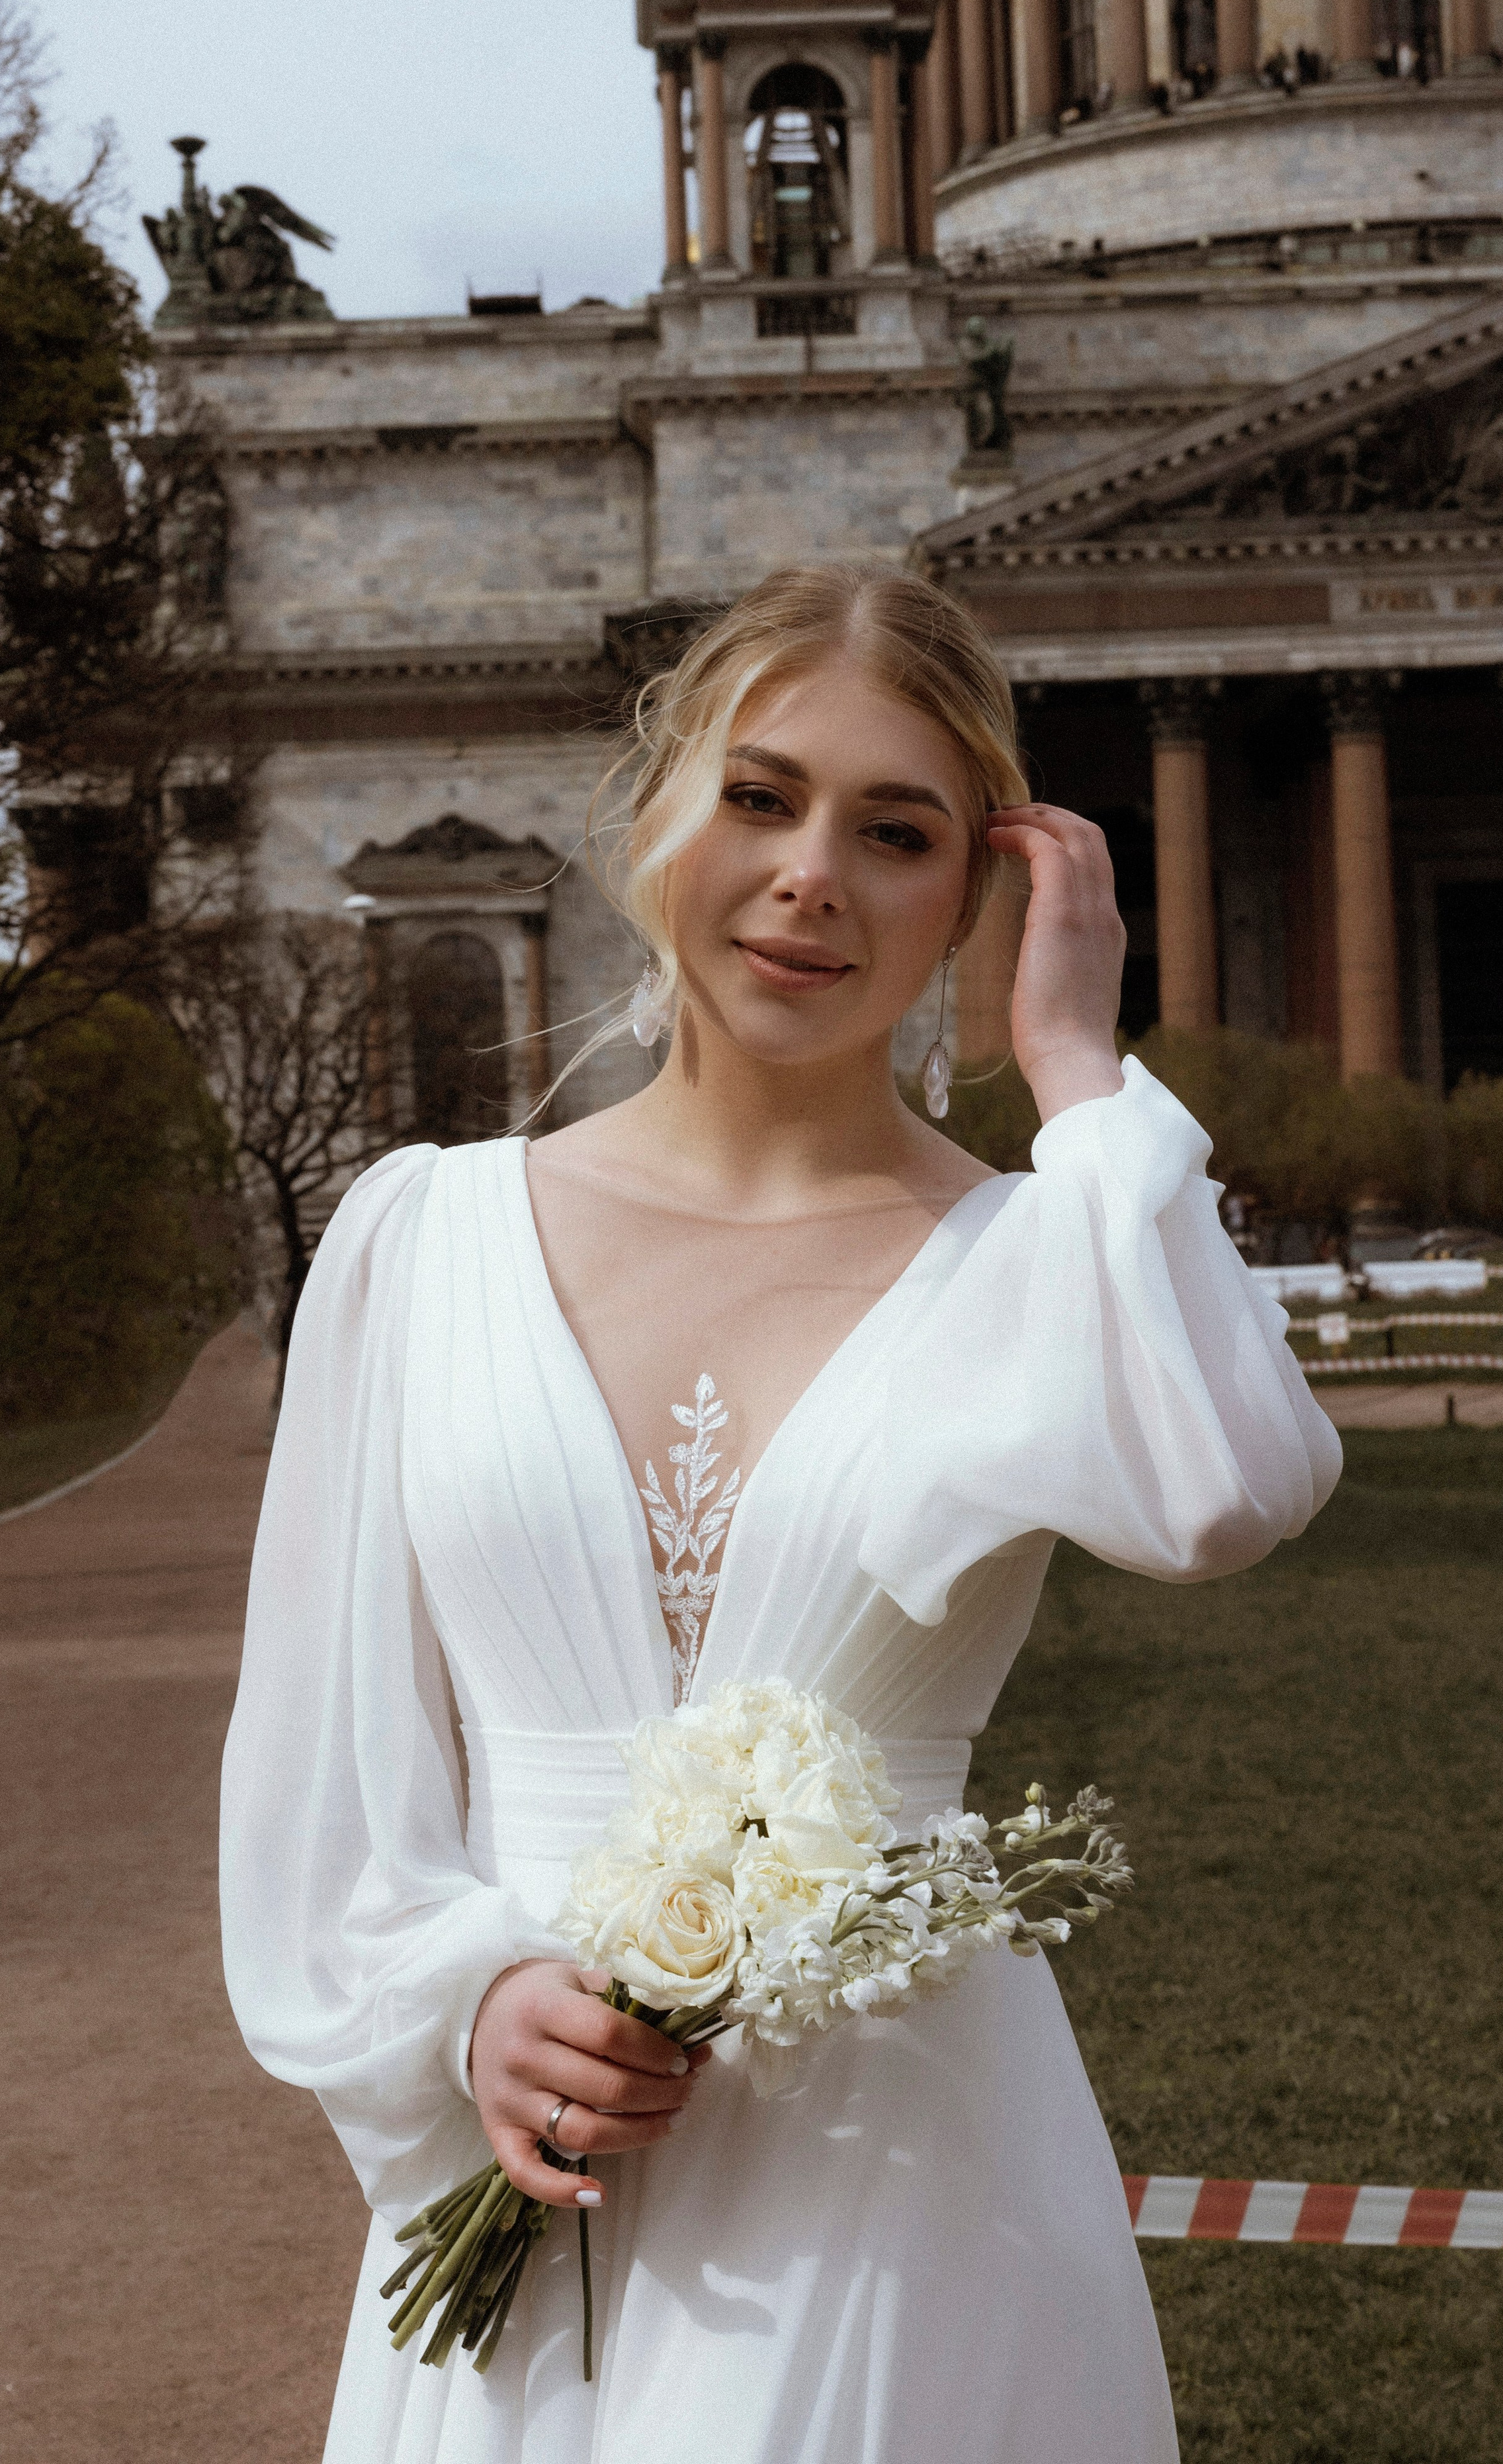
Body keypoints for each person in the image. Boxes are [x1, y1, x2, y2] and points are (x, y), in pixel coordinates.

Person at [221, 566, 1341, 2463]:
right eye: (761, 797)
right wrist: (465, 2004)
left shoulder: (1032, 1256)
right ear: (659, 817)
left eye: (896, 833)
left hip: (906, 2190)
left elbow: (1230, 1486)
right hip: (529, 2172)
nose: (812, 875)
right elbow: (326, 1772)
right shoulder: (420, 1242)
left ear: (974, 898)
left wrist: (1082, 1082)